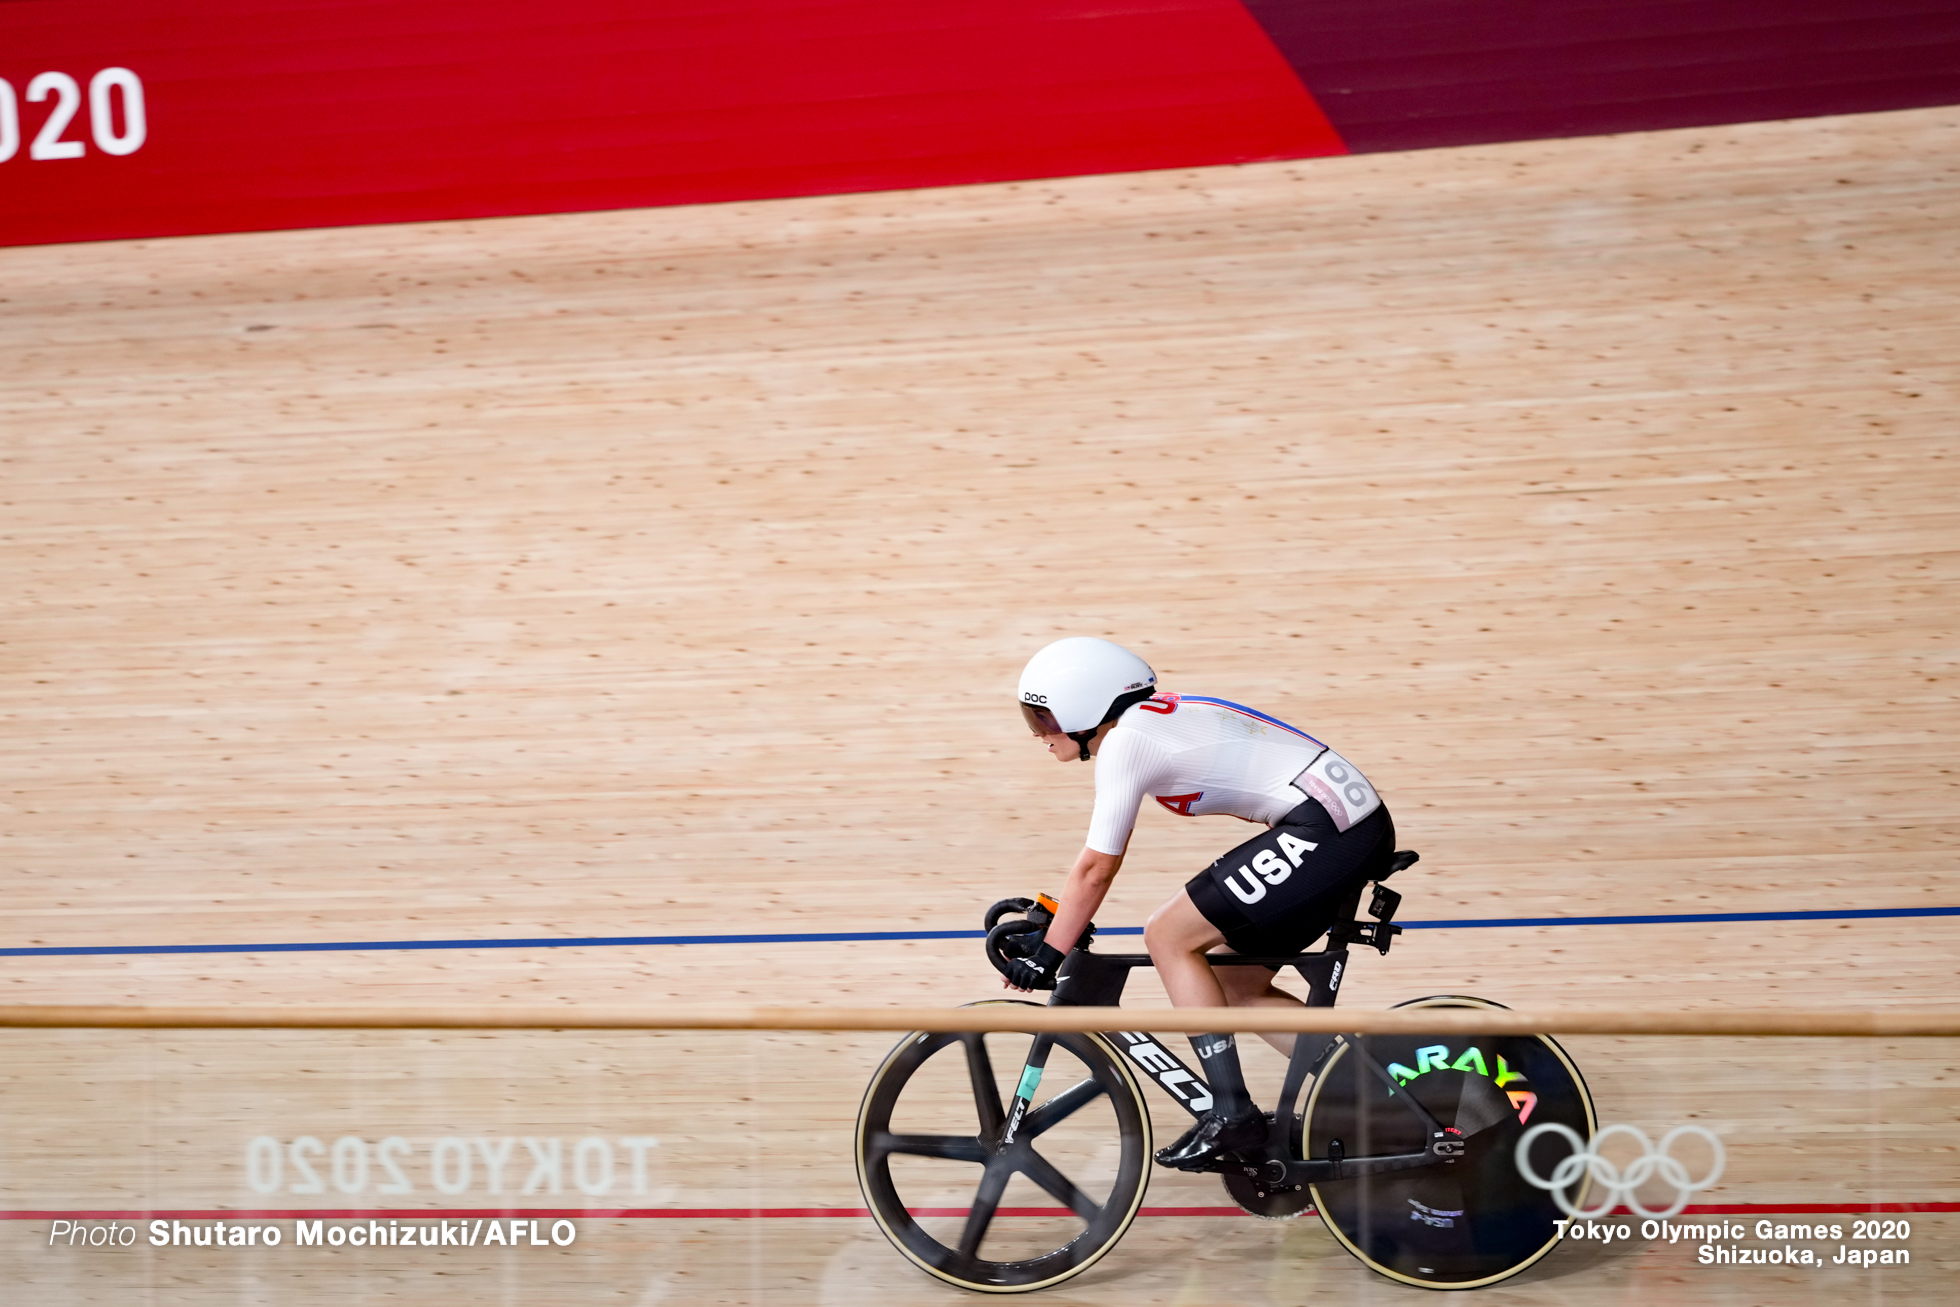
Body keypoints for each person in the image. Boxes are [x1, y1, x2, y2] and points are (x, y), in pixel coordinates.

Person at [1001, 636, 1398, 1171]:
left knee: (1168, 934)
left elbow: (1097, 868)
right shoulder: (1156, 720)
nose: (1039, 735)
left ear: (1084, 709)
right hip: (1344, 826)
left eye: (1042, 719)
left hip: (1330, 830)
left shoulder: (1127, 741)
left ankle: (1233, 1115)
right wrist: (1060, 932)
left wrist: (1050, 950)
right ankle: (1375, 1095)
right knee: (1235, 987)